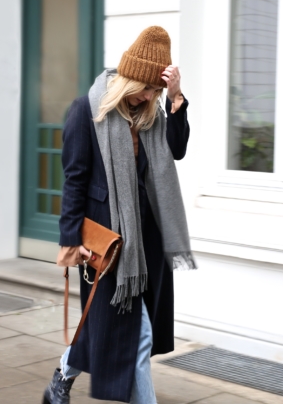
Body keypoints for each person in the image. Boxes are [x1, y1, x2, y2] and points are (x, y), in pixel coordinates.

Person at [42, 26, 197, 404]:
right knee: (133, 336)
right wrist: (69, 240)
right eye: (146, 88)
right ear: (128, 79)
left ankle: (62, 375)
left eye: (155, 91)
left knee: (109, 329)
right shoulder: (86, 111)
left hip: (148, 242)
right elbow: (75, 180)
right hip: (109, 246)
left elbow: (176, 150)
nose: (149, 96)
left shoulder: (153, 113)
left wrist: (175, 97)